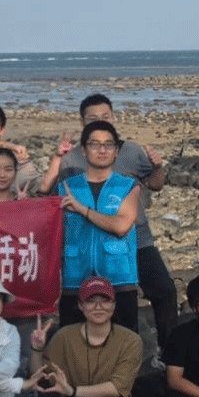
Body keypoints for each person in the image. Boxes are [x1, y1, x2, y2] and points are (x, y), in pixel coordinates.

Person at [41, 93, 178, 353]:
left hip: (135, 240)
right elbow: (53, 200)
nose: (100, 121)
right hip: (84, 247)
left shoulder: (132, 151)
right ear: (82, 123)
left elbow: (155, 184)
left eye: (105, 116)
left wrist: (158, 167)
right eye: (93, 118)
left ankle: (169, 356)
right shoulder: (71, 160)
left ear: (113, 118)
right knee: (84, 307)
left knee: (163, 291)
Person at [55, 121, 140, 332]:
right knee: (71, 341)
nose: (102, 150)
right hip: (75, 278)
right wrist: (57, 158)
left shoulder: (127, 186)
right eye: (94, 144)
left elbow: (121, 226)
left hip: (119, 278)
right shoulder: (66, 187)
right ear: (83, 150)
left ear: (116, 151)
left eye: (108, 144)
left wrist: (83, 210)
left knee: (124, 341)